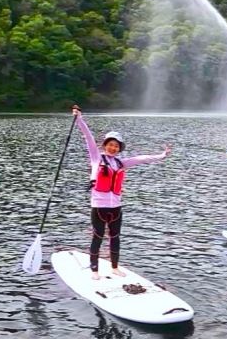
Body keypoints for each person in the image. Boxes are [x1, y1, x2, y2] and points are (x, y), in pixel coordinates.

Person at [73, 106, 171, 279]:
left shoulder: (121, 163)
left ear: (119, 149)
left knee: (115, 237)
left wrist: (162, 155)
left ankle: (114, 267)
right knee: (97, 236)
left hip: (116, 208)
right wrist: (79, 119)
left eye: (116, 146)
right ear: (105, 146)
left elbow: (143, 159)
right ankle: (94, 270)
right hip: (99, 207)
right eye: (110, 145)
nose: (113, 148)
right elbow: (88, 138)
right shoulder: (97, 158)